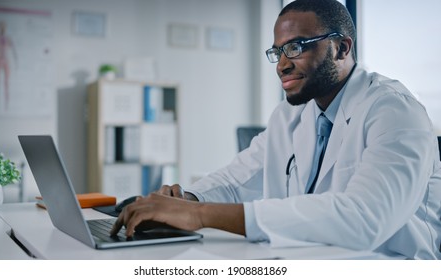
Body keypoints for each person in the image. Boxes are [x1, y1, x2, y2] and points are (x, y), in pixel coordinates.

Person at [111, 0, 441, 259]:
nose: (282, 63)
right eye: (278, 51)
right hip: (314, 259)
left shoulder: (394, 110)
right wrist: (185, 200)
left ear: (342, 48)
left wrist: (199, 215)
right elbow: (234, 181)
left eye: (296, 47)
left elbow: (364, 219)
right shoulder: (291, 115)